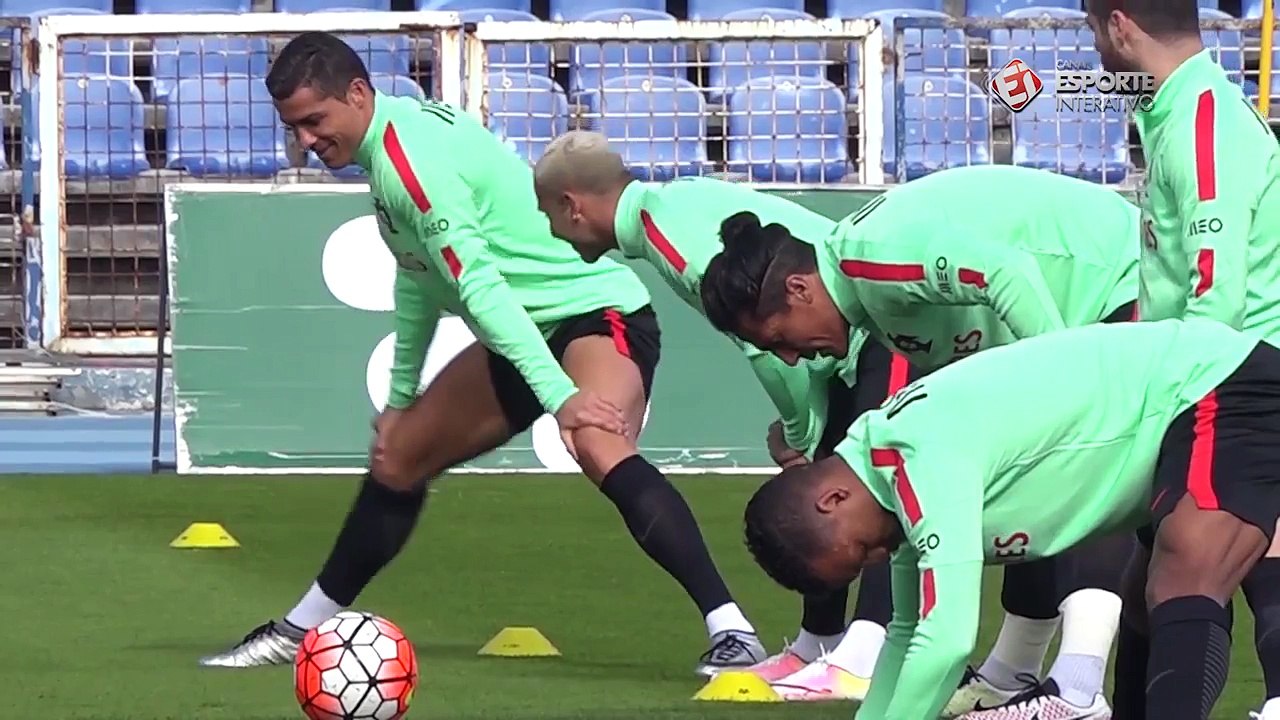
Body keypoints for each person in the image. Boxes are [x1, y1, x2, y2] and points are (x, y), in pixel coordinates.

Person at [197, 32, 766, 675]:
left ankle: (733, 629)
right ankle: (301, 630)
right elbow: (417, 278)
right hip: (519, 329)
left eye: (313, 121)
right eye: (294, 127)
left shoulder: (412, 164)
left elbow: (478, 286)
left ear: (357, 94)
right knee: (400, 455)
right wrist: (400, 400)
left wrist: (562, 400)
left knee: (595, 441)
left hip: (595, 313)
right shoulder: (387, 151)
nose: (305, 140)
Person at [700, 163, 1143, 720]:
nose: (790, 357)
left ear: (798, 289)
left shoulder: (873, 253)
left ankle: (1079, 686)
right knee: (1017, 472)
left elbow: (1005, 271)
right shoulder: (872, 311)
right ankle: (1015, 673)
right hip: (1085, 307)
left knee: (1079, 457)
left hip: (1121, 280)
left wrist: (1052, 387)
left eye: (777, 339)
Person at [531, 130, 921, 701]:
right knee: (832, 476)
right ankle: (819, 641)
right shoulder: (673, 206)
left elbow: (767, 334)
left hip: (872, 327)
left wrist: (798, 432)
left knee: (872, 480)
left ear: (573, 204)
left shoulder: (669, 235)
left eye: (549, 215)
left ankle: (869, 648)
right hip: (851, 336)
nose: (550, 231)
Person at [743, 318, 1280, 720]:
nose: (877, 557)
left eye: (859, 553)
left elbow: (947, 640)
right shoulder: (883, 470)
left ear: (831, 500)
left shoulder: (914, 456)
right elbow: (907, 631)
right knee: (1142, 598)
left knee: (1185, 571)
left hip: (1212, 380)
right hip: (1163, 411)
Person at [1084, 1, 1280, 717]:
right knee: (1150, 593)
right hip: (1219, 371)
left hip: (1223, 376)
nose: (1095, 47)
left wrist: (1159, 398)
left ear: (1119, 24)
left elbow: (1214, 292)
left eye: (1091, 29)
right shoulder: (1177, 112)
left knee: (1182, 574)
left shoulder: (1203, 123)